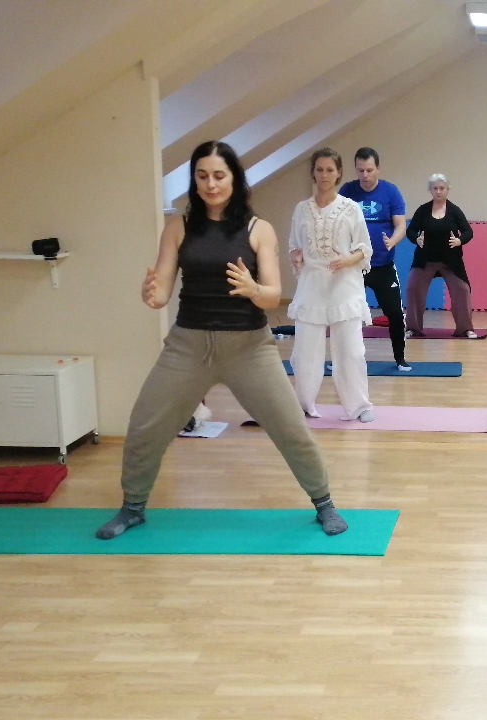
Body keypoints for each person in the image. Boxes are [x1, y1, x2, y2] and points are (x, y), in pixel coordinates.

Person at [96, 141, 348, 540]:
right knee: (145, 426)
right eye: (202, 176)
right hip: (188, 346)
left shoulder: (258, 229)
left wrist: (252, 288)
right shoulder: (178, 227)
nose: (210, 184)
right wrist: (150, 293)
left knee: (291, 429)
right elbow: (161, 293)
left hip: (249, 348)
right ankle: (133, 507)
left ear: (234, 179)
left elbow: (272, 295)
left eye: (219, 175)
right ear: (194, 180)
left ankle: (324, 503)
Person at [287, 147, 375, 423]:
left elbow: (365, 249)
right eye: (319, 170)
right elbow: (294, 245)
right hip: (312, 286)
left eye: (329, 170)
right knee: (304, 353)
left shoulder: (351, 208)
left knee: (351, 351)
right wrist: (296, 255)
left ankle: (359, 405)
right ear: (312, 173)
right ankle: (303, 404)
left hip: (344, 286)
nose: (324, 175)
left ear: (339, 174)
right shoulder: (302, 209)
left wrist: (348, 260)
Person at [339, 147, 410, 371]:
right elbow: (337, 224)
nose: (365, 175)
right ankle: (342, 361)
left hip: (383, 266)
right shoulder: (347, 191)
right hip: (354, 267)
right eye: (360, 170)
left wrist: (392, 241)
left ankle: (400, 359)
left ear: (377, 168)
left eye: (369, 170)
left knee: (395, 314)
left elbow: (400, 226)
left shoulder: (391, 191)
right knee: (345, 316)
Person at [404, 174, 478, 338]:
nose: (438, 191)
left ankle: (465, 329)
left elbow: (468, 232)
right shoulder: (423, 210)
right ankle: (413, 328)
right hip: (425, 259)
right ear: (430, 190)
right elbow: (410, 230)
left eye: (442, 188)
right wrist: (416, 239)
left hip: (450, 261)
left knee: (463, 290)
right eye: (435, 188)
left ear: (447, 190)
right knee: (412, 288)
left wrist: (459, 241)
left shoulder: (454, 211)